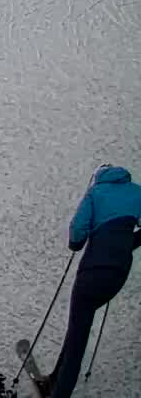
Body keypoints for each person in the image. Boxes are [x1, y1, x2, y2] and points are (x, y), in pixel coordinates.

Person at [49, 165, 141, 398]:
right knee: (79, 325)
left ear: (99, 177)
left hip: (91, 272)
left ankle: (60, 392)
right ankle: (55, 379)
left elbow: (78, 229)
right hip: (118, 273)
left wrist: (75, 244)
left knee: (77, 332)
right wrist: (128, 242)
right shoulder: (137, 192)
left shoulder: (95, 192)